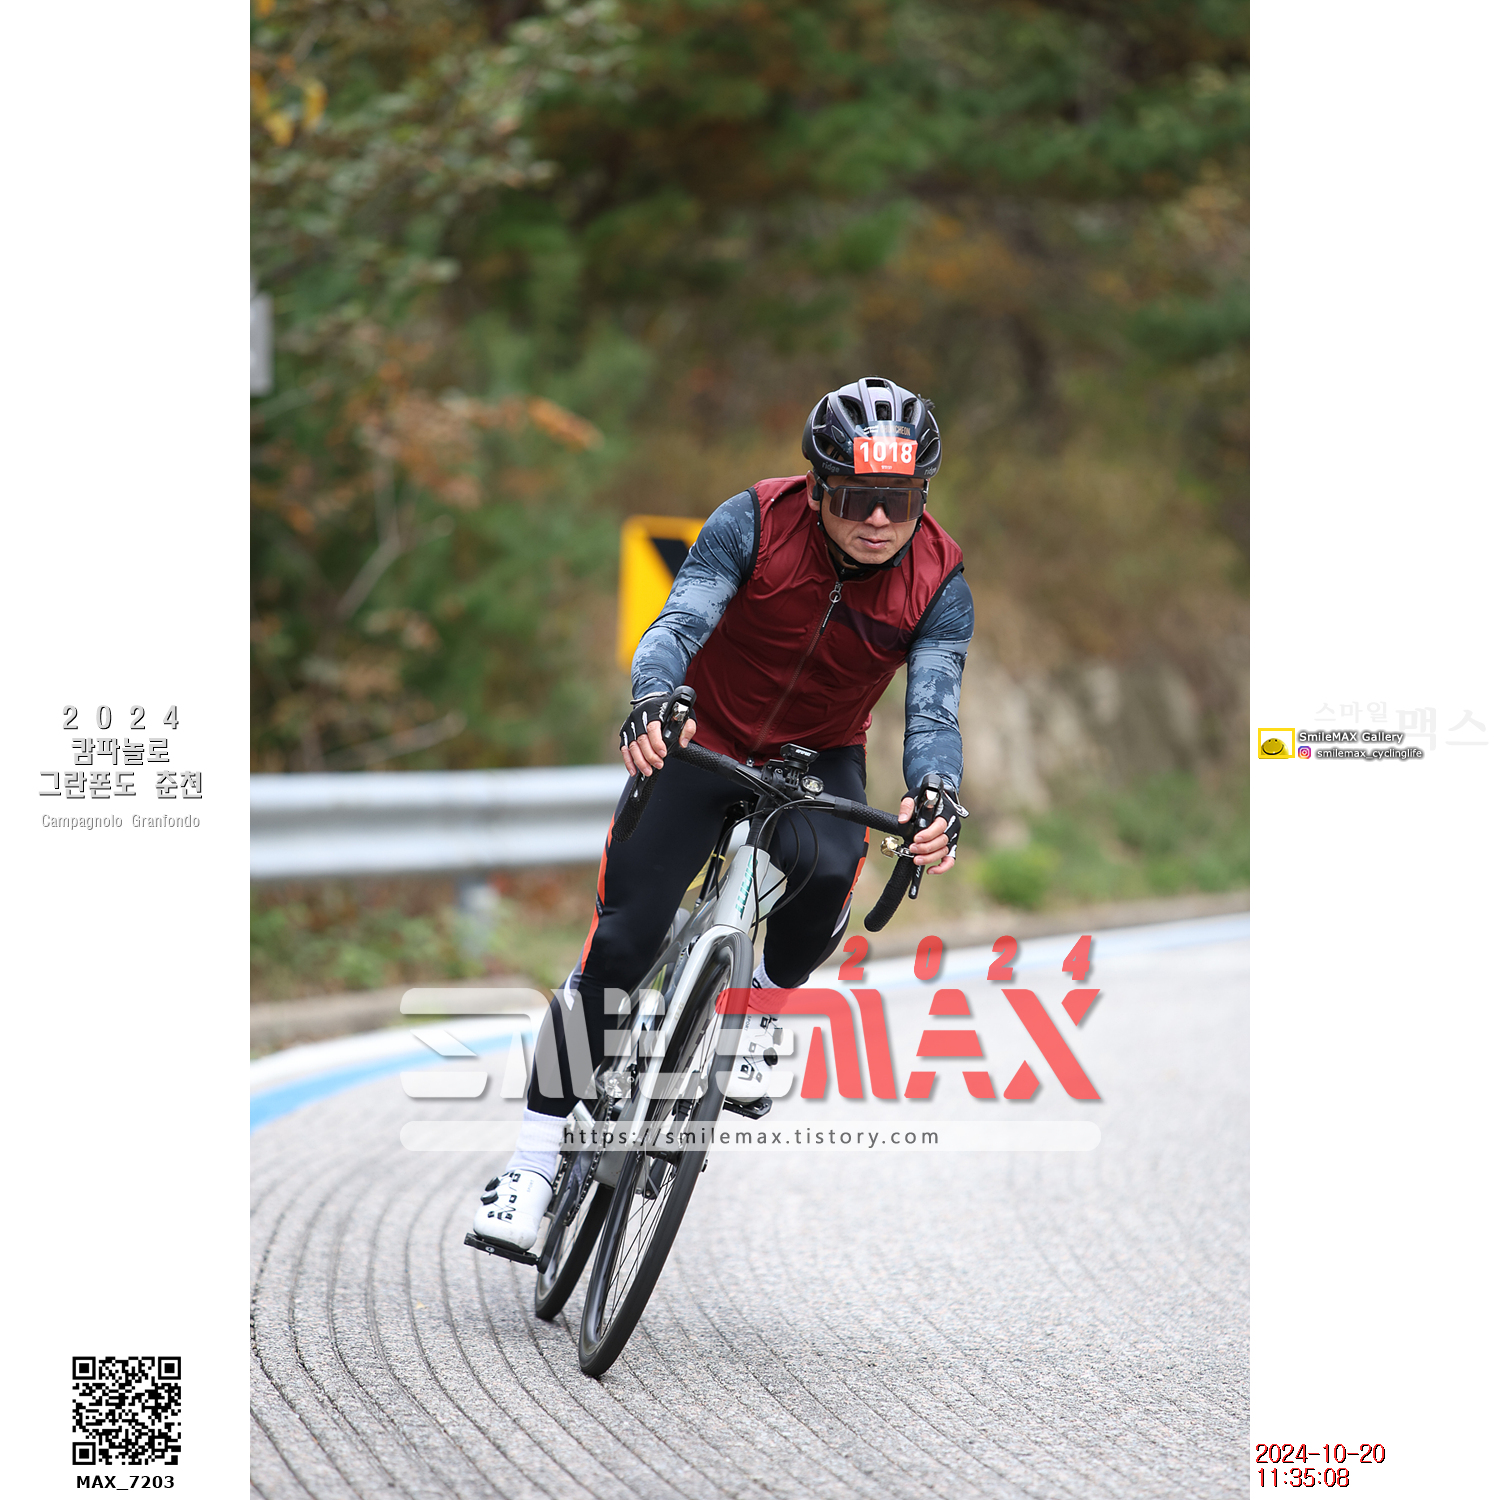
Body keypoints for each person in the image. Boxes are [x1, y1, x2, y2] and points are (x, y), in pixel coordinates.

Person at [473, 376, 974, 1252]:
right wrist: (654, 696)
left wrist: (935, 791)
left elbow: (933, 711)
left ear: (922, 499)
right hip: (703, 733)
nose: (878, 520)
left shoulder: (939, 578)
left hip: (819, 752)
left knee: (829, 872)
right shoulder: (753, 521)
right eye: (857, 497)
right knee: (620, 948)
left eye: (899, 501)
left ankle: (760, 1010)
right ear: (816, 488)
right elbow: (678, 623)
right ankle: (531, 1168)